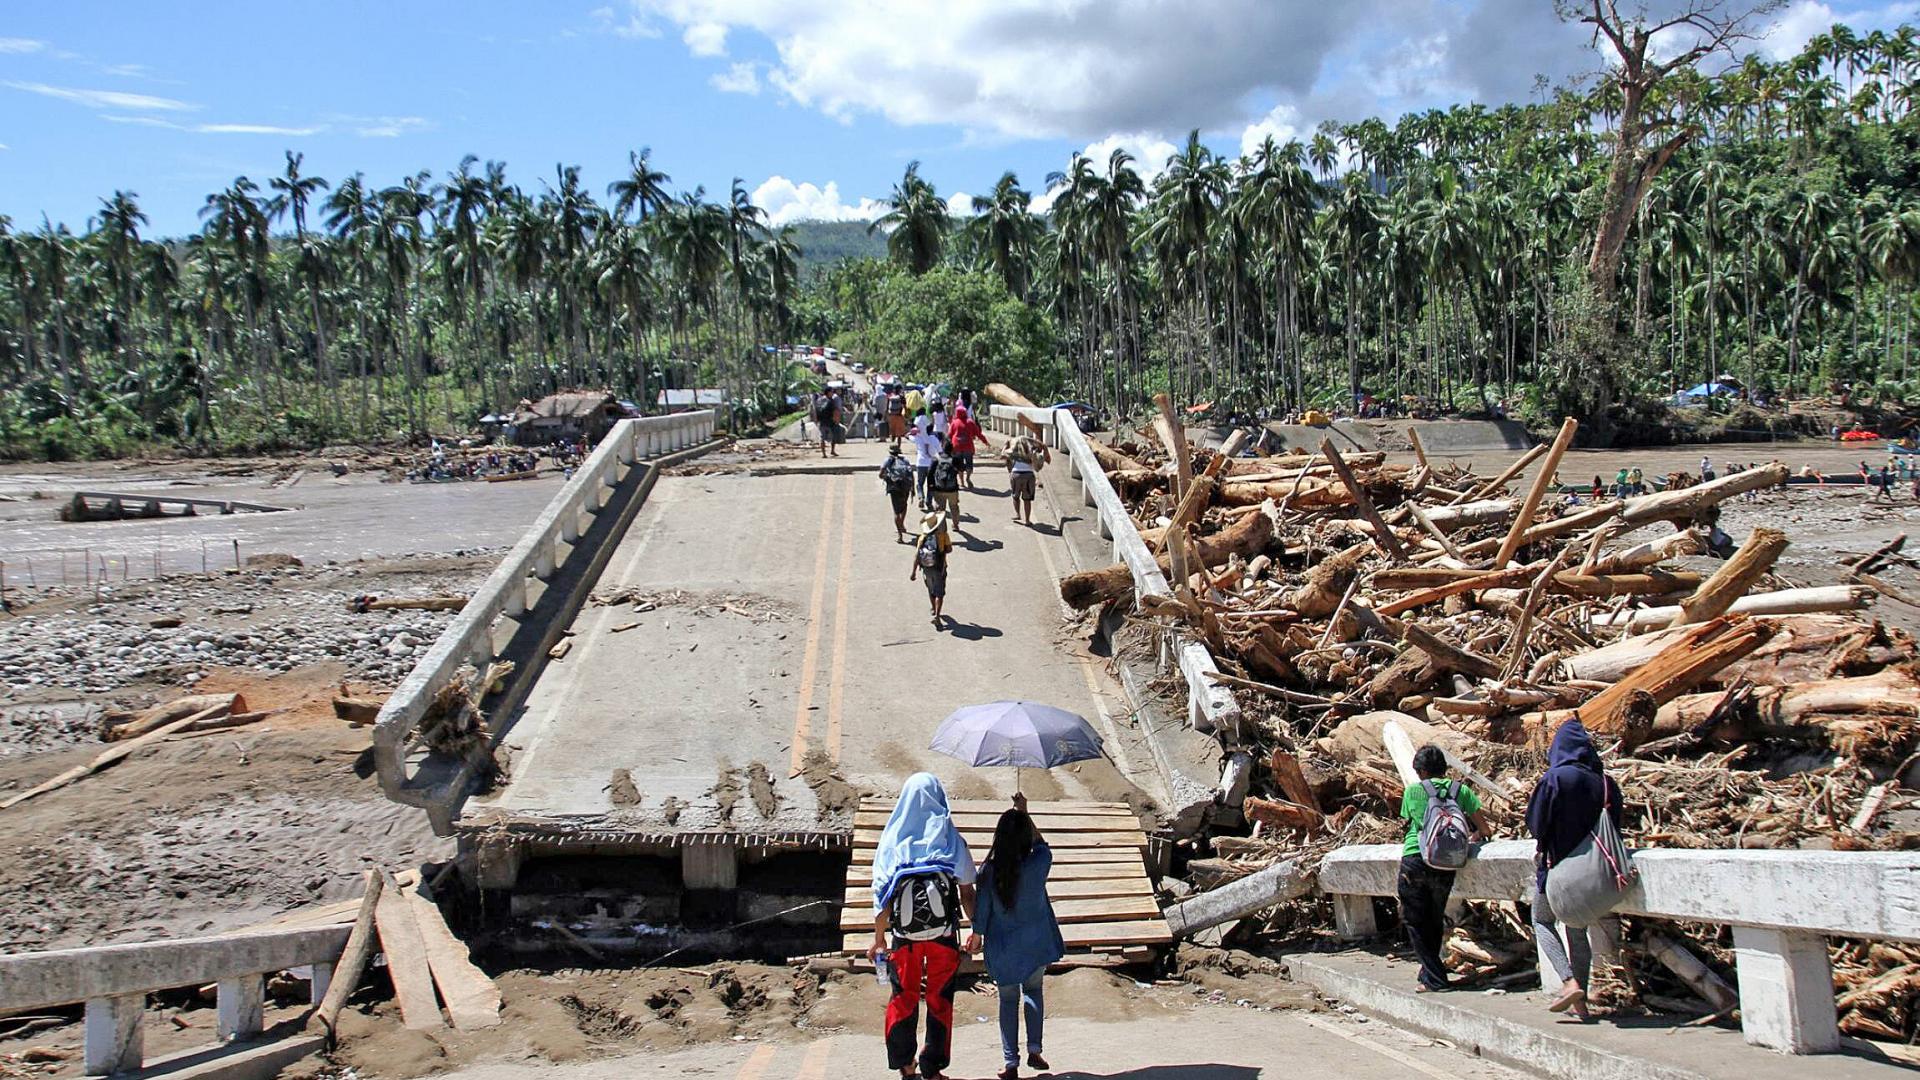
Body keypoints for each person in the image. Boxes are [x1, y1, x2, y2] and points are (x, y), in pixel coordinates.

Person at [868, 773, 977, 1080]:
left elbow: (882, 897)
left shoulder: (892, 839)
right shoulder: (950, 838)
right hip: (943, 937)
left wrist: (879, 939)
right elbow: (967, 892)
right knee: (940, 999)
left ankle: (905, 1065)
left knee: (903, 997)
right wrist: (976, 929)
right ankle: (933, 1068)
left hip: (905, 939)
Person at [1525, 717, 1624, 1020]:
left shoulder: (1555, 778)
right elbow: (1616, 826)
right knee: (1577, 929)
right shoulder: (1606, 783)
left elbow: (1537, 824)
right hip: (1595, 873)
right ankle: (1580, 1004)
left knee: (1542, 921)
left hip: (1557, 868)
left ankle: (1569, 982)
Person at [969, 795, 1063, 1080]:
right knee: (1033, 991)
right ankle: (1035, 1050)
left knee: (1008, 1001)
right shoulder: (1037, 865)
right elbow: (1043, 846)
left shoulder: (988, 872)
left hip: (1003, 948)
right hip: (1036, 942)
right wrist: (1025, 813)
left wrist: (976, 935)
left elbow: (982, 912)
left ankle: (1010, 1063)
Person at [1398, 745, 1489, 993]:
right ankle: (1428, 972)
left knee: (1415, 921)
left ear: (1422, 771)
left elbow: (1410, 821)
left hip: (1416, 859)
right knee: (1434, 918)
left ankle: (1436, 978)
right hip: (1446, 862)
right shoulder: (1461, 790)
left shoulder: (1413, 791)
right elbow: (1484, 829)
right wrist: (1470, 839)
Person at [910, 510, 954, 626]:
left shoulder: (922, 537)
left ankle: (933, 608)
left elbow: (917, 555)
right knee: (940, 593)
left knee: (931, 589)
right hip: (940, 567)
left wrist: (913, 572)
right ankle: (937, 616)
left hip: (926, 568)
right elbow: (949, 549)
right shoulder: (943, 535)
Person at [1006, 430, 1051, 525]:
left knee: (1015, 497)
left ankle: (1017, 514)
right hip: (1028, 475)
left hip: (1016, 474)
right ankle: (1027, 520)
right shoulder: (1031, 452)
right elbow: (1044, 459)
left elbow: (1005, 457)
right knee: (1027, 499)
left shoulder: (1014, 452)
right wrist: (1044, 448)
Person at [947, 405, 989, 489]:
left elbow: (949, 435)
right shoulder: (970, 422)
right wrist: (985, 442)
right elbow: (978, 433)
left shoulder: (954, 422)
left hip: (957, 447)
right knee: (969, 464)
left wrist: (947, 447)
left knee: (959, 465)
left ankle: (962, 482)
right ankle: (968, 478)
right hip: (968, 446)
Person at [881, 446, 917, 543]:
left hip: (894, 488)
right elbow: (911, 474)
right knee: (904, 505)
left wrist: (887, 477)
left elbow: (881, 474)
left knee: (896, 512)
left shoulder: (888, 460)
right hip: (906, 486)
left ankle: (900, 535)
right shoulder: (905, 460)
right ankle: (902, 524)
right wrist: (913, 488)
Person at [911, 414, 941, 510]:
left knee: (920, 483)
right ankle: (929, 501)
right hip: (931, 464)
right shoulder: (934, 439)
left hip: (920, 463)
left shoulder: (918, 437)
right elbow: (940, 451)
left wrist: (916, 431)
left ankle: (921, 497)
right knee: (931, 484)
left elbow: (907, 435)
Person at [927, 441, 962, 523]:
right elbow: (961, 469)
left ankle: (942, 527)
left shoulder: (936, 459)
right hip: (952, 489)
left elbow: (930, 473)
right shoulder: (955, 459)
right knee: (954, 507)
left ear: (942, 448)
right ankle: (955, 524)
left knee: (940, 510)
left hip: (939, 488)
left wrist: (930, 487)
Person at [815, 389, 842, 458]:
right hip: (830, 421)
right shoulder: (831, 400)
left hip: (822, 421)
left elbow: (816, 410)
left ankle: (824, 454)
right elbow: (835, 410)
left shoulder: (819, 400)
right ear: (828, 392)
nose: (832, 393)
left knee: (822, 438)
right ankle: (832, 450)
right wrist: (837, 419)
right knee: (833, 436)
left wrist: (816, 420)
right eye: (831, 392)